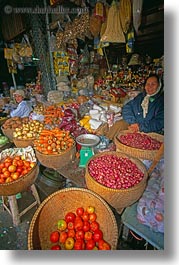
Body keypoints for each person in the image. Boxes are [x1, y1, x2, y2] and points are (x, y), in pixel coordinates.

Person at [106, 74, 164, 139]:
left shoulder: (162, 101)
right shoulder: (141, 96)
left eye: (153, 84)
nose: (149, 87)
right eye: (147, 84)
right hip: (134, 125)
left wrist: (140, 127)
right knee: (117, 126)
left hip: (150, 131)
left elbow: (159, 122)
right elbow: (127, 107)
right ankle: (106, 142)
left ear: (159, 86)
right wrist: (132, 122)